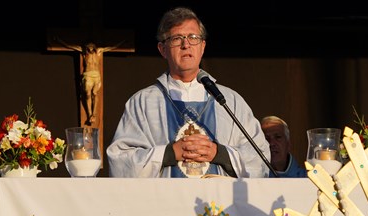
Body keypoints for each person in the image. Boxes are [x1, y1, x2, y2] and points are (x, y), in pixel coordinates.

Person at [107, 7, 270, 179]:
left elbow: (261, 158)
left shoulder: (230, 101)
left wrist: (218, 153)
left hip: (220, 204)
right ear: (162, 49)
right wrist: (169, 153)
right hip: (164, 203)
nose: (186, 45)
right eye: (177, 38)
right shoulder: (143, 102)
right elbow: (120, 162)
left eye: (193, 38)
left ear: (202, 47)